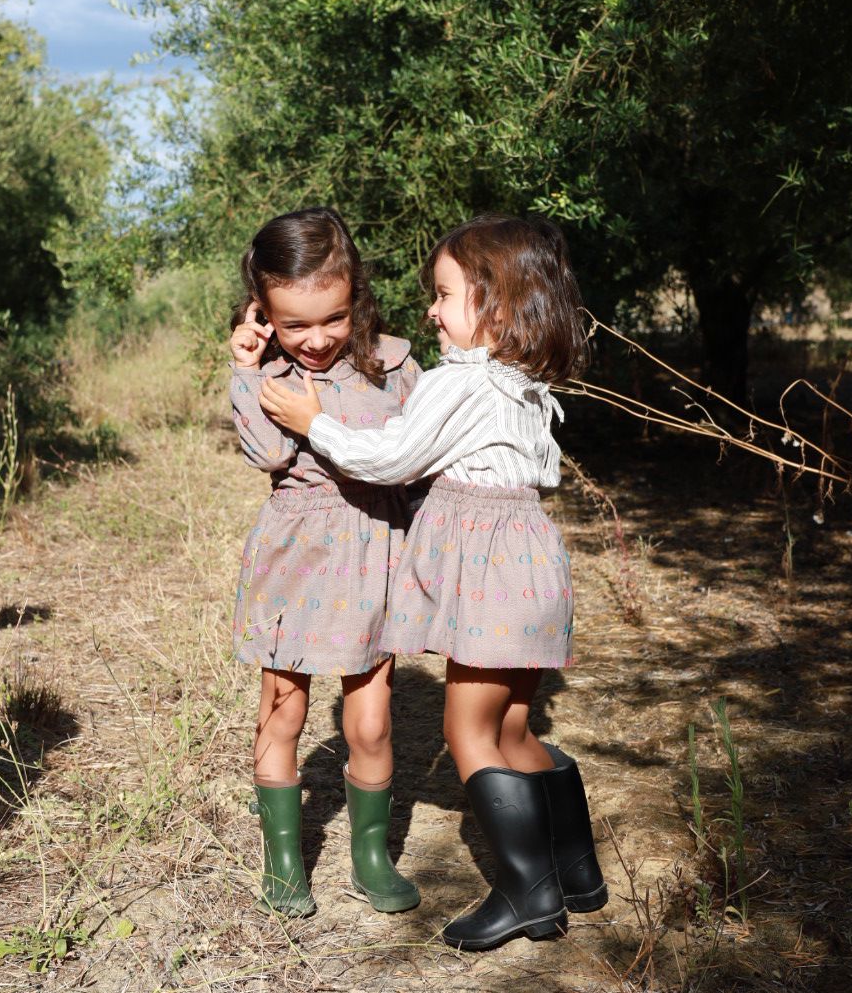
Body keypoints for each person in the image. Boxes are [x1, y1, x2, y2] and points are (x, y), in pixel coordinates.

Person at [258, 214, 606, 950]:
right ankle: (578, 872)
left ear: (497, 309)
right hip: (534, 563)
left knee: (469, 732)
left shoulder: (461, 383)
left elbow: (390, 460)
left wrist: (316, 421)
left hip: (491, 579)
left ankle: (527, 896)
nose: (432, 310)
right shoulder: (524, 385)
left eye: (444, 295)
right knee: (514, 729)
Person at [228, 207, 420, 918]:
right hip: (296, 559)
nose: (314, 340)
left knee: (370, 723)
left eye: (332, 318)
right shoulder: (266, 370)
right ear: (263, 312)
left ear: (357, 297)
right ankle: (285, 861)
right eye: (293, 324)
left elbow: (417, 458)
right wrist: (246, 370)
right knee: (284, 712)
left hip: (374, 552)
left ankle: (371, 856)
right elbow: (273, 454)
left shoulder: (396, 366)